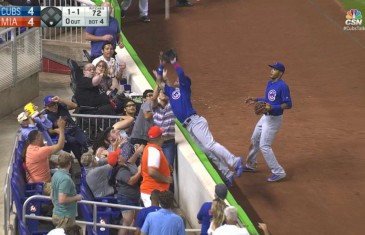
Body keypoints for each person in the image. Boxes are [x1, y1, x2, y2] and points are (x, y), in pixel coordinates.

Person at [155, 52, 243, 187]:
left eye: (180, 80)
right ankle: (227, 174)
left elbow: (181, 74)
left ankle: (235, 161)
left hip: (196, 122)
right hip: (189, 126)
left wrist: (174, 63)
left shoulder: (184, 89)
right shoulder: (172, 92)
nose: (177, 79)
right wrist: (161, 66)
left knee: (210, 145)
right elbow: (160, 82)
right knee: (207, 150)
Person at [244, 62, 292, 182]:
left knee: (264, 145)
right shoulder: (270, 83)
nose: (271, 71)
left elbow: (288, 104)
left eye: (274, 69)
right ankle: (251, 165)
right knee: (255, 139)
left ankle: (279, 172)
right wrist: (256, 99)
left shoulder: (283, 86)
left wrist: (273, 108)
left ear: (280, 73)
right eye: (271, 69)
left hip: (274, 120)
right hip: (265, 117)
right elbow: (268, 100)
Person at [24, 118, 66, 195]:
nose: (43, 138)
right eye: (41, 136)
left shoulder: (30, 147)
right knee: (66, 191)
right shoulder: (40, 151)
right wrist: (61, 128)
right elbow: (60, 145)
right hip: (42, 186)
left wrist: (51, 161)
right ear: (37, 138)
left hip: (41, 182)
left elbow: (44, 158)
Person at [44, 95, 88, 164]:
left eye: (54, 104)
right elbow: (49, 131)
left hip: (74, 129)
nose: (54, 106)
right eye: (51, 105)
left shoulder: (61, 106)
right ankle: (81, 165)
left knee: (85, 142)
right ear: (46, 107)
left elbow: (74, 106)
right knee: (73, 143)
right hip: (64, 134)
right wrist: (56, 130)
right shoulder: (46, 116)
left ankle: (86, 162)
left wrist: (61, 100)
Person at [111, 145, 141, 235]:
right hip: (126, 198)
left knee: (136, 221)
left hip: (134, 197)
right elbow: (131, 181)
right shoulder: (121, 171)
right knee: (127, 223)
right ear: (118, 160)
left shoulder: (125, 164)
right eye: (119, 155)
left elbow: (131, 160)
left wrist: (137, 151)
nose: (121, 155)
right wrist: (139, 171)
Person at [140, 126, 172, 207]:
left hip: (154, 193)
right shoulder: (154, 151)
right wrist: (166, 179)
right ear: (161, 137)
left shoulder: (151, 148)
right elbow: (152, 171)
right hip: (152, 194)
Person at [51, 152, 83, 228]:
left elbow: (52, 195)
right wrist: (77, 197)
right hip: (65, 217)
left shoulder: (56, 174)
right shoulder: (66, 179)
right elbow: (62, 200)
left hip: (57, 213)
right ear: (69, 163)